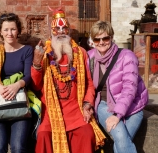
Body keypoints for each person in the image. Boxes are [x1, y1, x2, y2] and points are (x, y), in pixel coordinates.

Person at [31, 9, 105, 153]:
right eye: (57, 29)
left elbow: (89, 83)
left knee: (87, 133)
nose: (61, 32)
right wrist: (36, 63)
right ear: (51, 32)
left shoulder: (80, 53)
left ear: (68, 30)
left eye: (64, 28)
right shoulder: (44, 53)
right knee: (43, 136)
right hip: (51, 112)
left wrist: (87, 103)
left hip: (76, 110)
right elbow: (36, 85)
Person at [87, 21, 148, 153]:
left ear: (112, 37)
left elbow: (129, 88)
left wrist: (117, 114)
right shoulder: (89, 57)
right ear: (93, 41)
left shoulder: (127, 56)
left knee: (120, 142)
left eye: (105, 38)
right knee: (120, 135)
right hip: (103, 104)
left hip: (133, 106)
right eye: (97, 39)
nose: (101, 42)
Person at [0, 12, 33, 153]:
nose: (10, 33)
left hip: (19, 103)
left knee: (18, 147)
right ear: (0, 32)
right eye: (6, 30)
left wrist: (16, 85)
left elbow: (29, 76)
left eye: (13, 29)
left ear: (18, 30)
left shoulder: (26, 50)